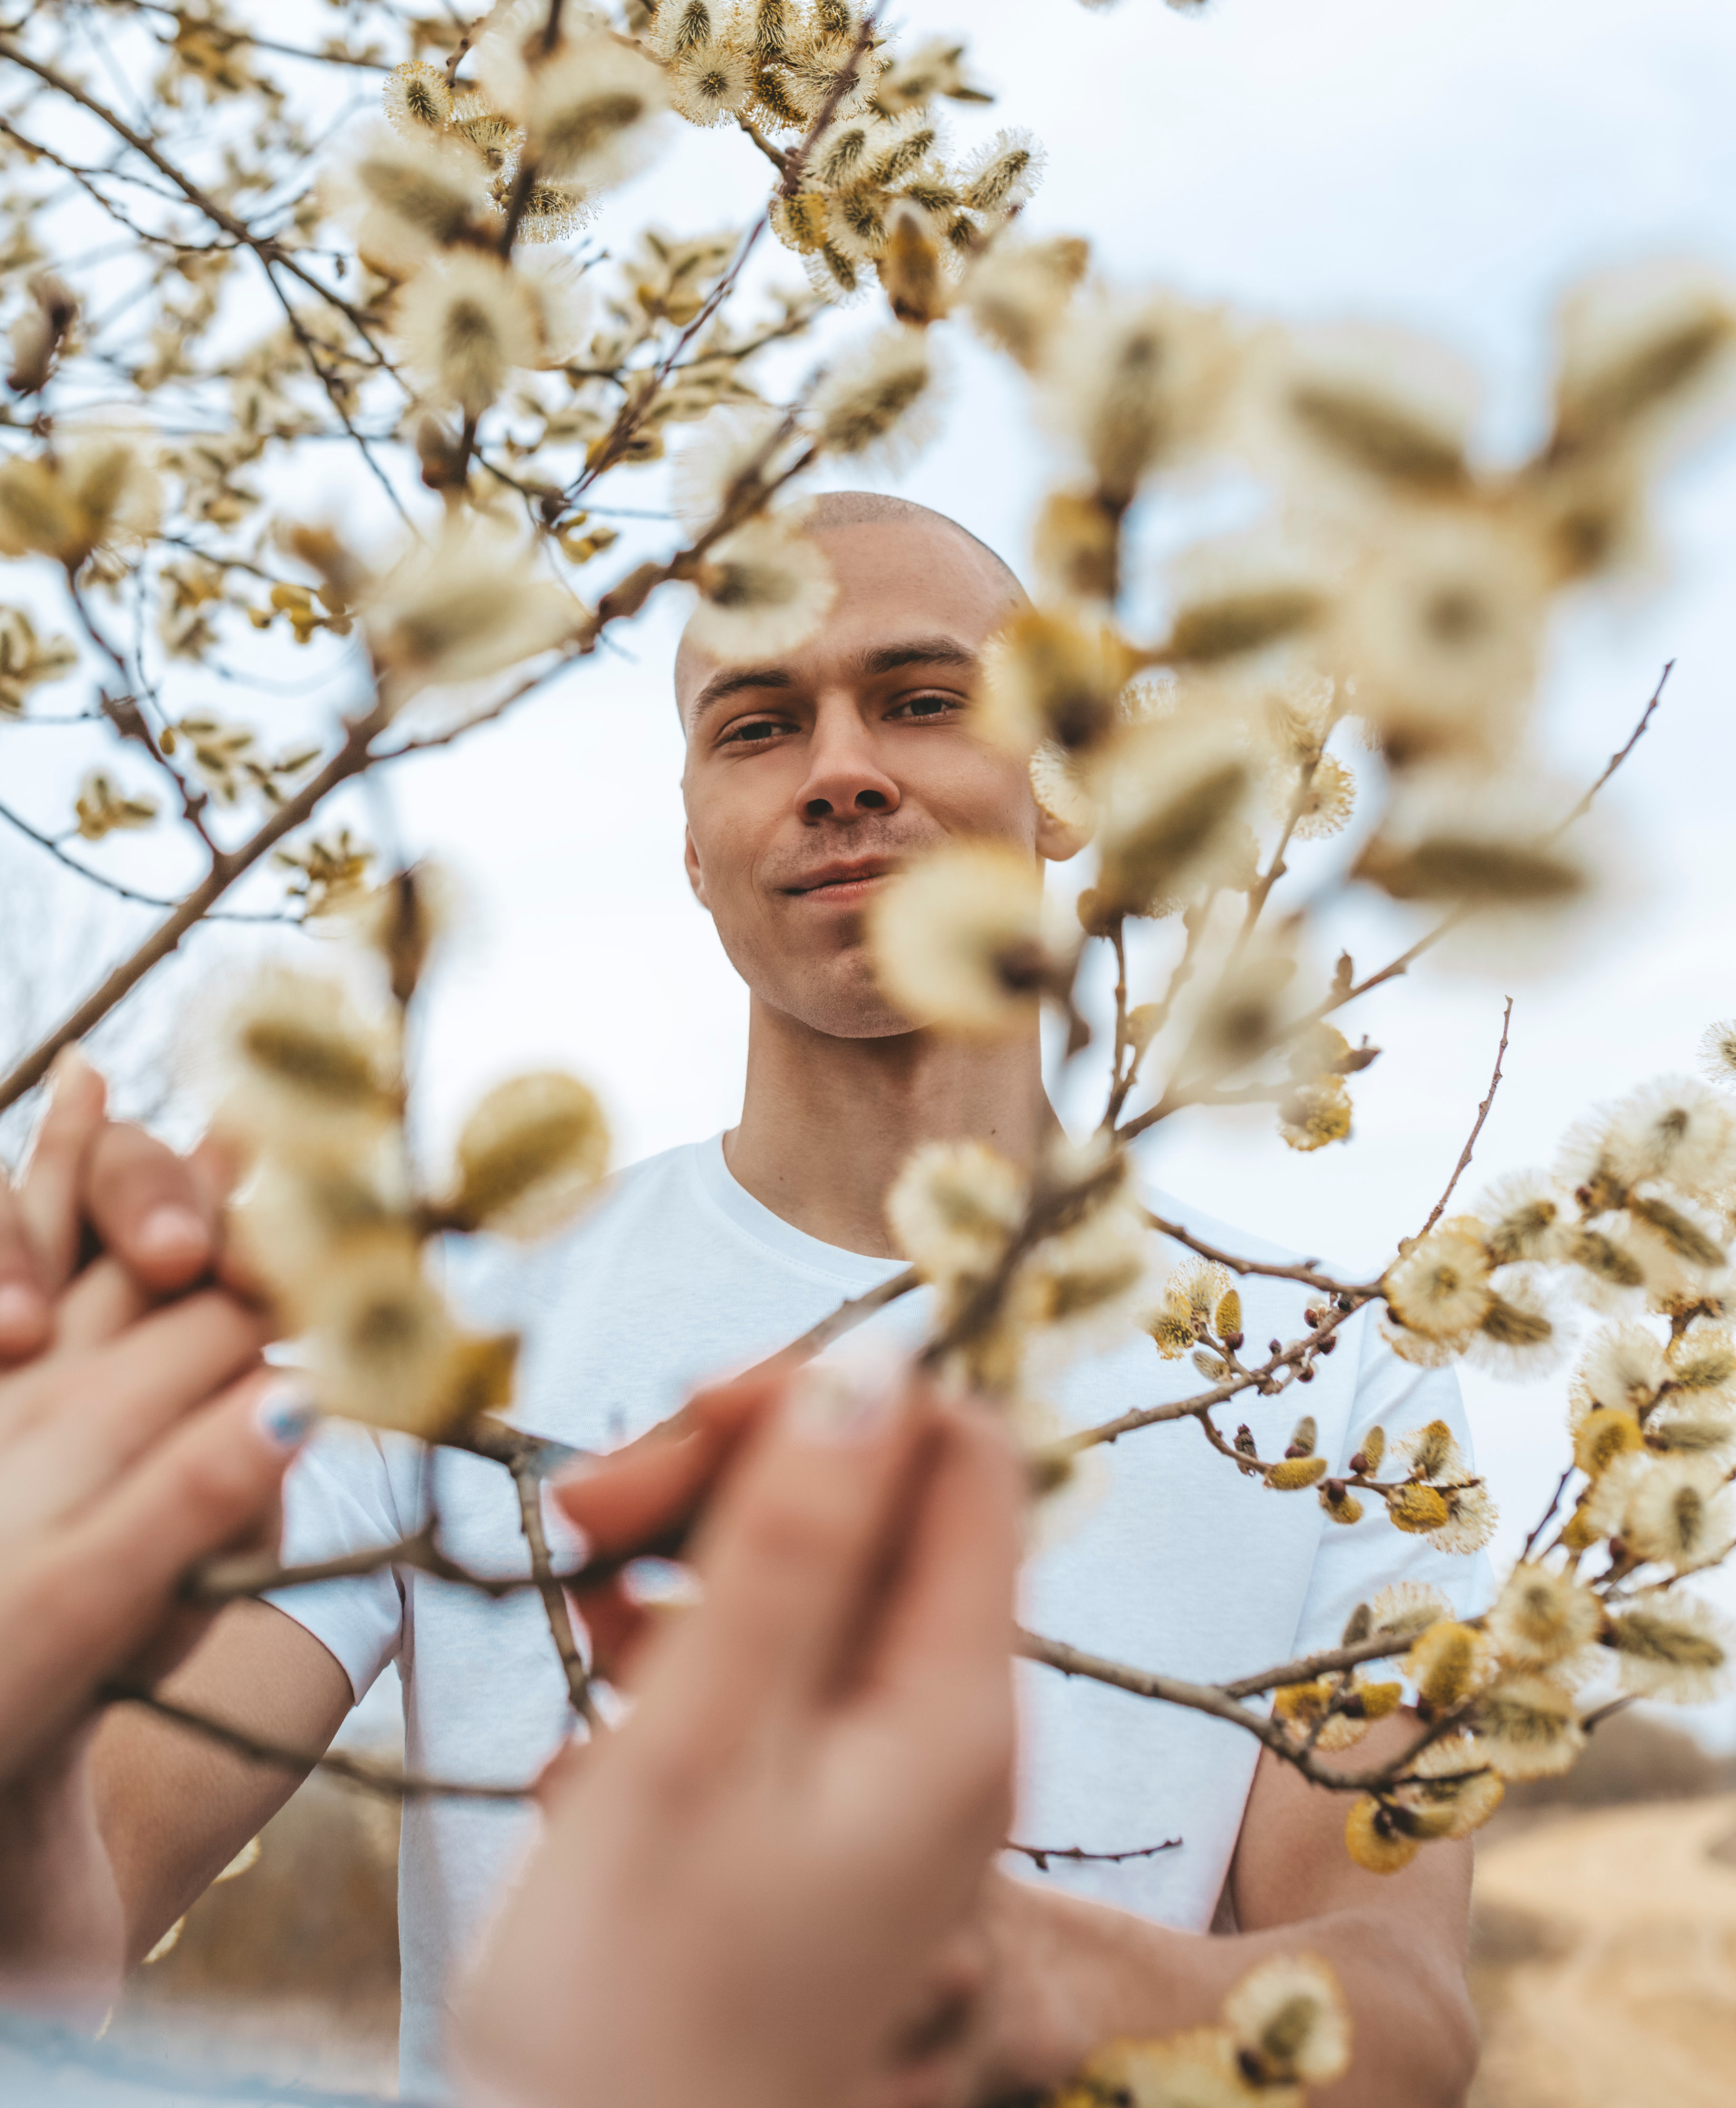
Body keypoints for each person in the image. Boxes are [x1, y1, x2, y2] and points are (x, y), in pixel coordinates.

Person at [90, 494, 1485, 2105]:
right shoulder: (450, 1327)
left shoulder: (1339, 1389)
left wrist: (1013, 1967)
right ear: (693, 841)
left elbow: (1400, 2015)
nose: (840, 768)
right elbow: (103, 1859)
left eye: (920, 699)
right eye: (758, 725)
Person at [0, 1062, 1026, 2108]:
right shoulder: (455, 1333)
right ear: (692, 880)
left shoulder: (1201, 1361)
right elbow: (78, 1909)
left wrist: (1048, 1980)